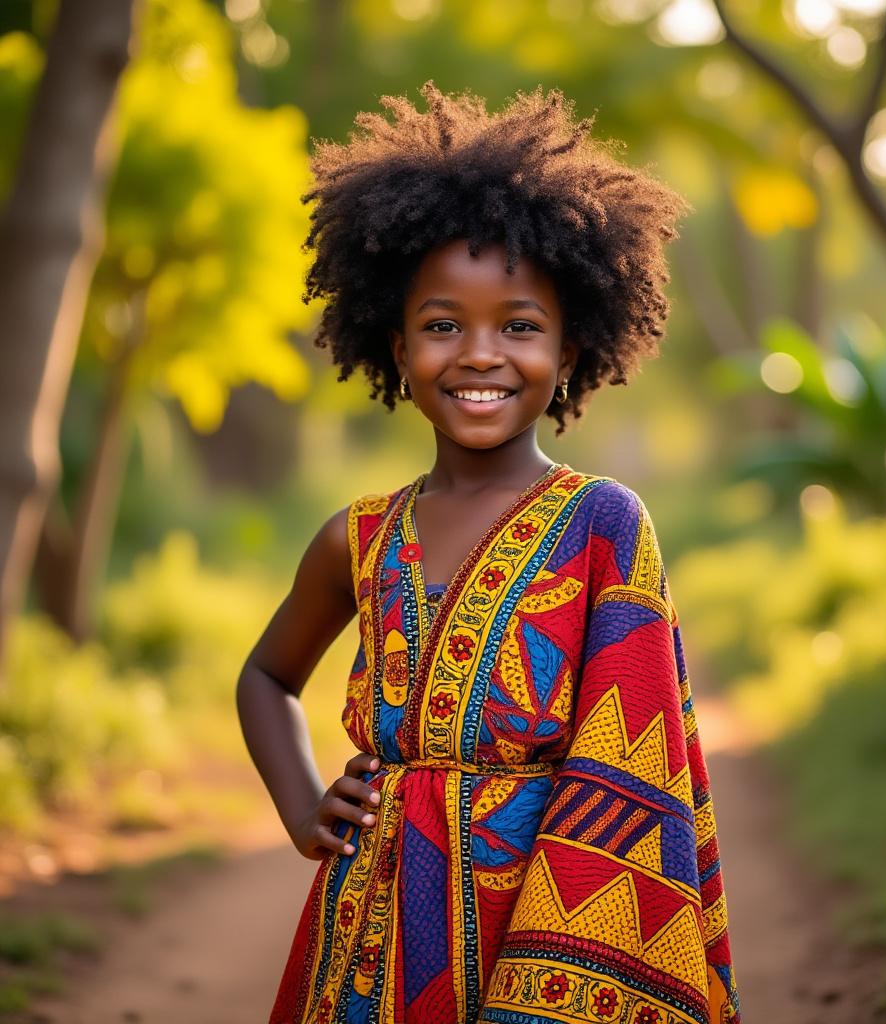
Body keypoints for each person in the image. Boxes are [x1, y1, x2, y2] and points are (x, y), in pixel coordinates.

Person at [237, 81, 741, 1024]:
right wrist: (303, 805)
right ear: (393, 346)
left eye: (518, 324)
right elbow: (267, 675)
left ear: (570, 344)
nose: (479, 354)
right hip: (370, 922)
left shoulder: (604, 522)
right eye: (441, 326)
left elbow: (635, 761)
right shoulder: (358, 536)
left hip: (544, 903)